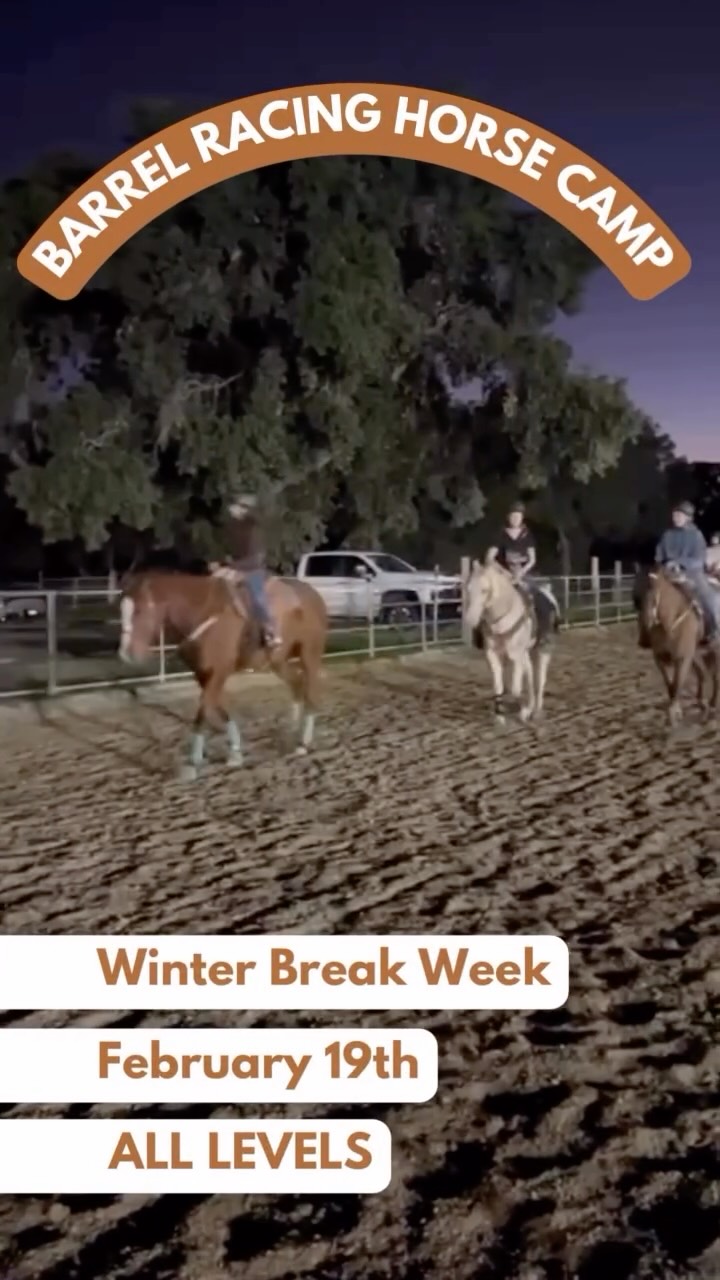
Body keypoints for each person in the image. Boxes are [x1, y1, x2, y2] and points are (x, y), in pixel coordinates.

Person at [214, 493, 280, 649]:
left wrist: (231, 566)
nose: (231, 509)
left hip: (253, 569)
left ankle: (271, 631)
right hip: (235, 567)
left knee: (258, 599)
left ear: (244, 510)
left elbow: (256, 558)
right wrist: (219, 562)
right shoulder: (230, 528)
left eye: (235, 506)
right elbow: (229, 552)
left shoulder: (254, 530)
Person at [655, 501, 720, 644]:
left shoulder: (696, 535)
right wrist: (664, 563)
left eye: (679, 515)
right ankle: (646, 631)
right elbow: (659, 555)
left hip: (692, 574)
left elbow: (698, 559)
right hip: (668, 573)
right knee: (649, 593)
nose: (676, 518)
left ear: (688, 517)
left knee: (709, 597)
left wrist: (679, 563)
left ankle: (715, 629)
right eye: (674, 515)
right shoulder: (667, 535)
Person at [487, 501, 537, 586]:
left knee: (535, 593)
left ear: (522, 518)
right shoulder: (500, 534)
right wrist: (503, 572)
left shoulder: (527, 534)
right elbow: (489, 557)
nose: (515, 519)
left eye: (518, 516)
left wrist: (521, 572)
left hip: (524, 575)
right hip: (504, 575)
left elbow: (532, 559)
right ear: (508, 517)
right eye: (513, 516)